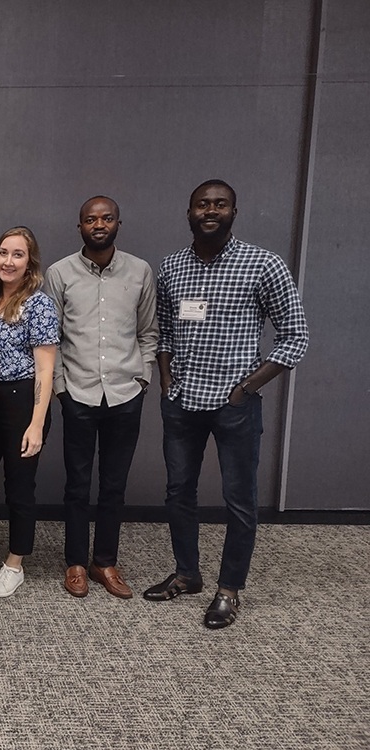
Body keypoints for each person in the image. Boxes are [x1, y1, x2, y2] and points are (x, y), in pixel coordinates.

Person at [145, 179, 308, 629]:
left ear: (234, 212)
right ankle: (187, 574)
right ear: (189, 212)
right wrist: (166, 378)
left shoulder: (263, 264)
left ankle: (229, 590)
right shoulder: (172, 266)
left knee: (239, 500)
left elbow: (295, 337)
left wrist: (246, 388)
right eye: (202, 204)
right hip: (182, 401)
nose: (210, 210)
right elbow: (164, 330)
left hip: (235, 405)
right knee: (179, 491)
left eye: (220, 204)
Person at [44, 197, 158, 599]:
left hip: (126, 393)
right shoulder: (59, 273)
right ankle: (76, 562)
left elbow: (148, 332)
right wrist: (60, 387)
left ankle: (104, 562)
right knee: (77, 484)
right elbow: (51, 337)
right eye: (90, 219)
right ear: (79, 226)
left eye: (106, 218)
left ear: (118, 224)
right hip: (78, 392)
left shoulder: (140, 271)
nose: (99, 224)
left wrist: (143, 378)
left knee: (114, 484)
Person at [0, 227, 59, 598]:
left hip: (24, 402)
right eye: (3, 253)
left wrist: (36, 424)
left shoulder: (39, 305)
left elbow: (45, 371)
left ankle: (15, 563)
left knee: (19, 487)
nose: (8, 261)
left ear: (30, 262)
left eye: (18, 254)